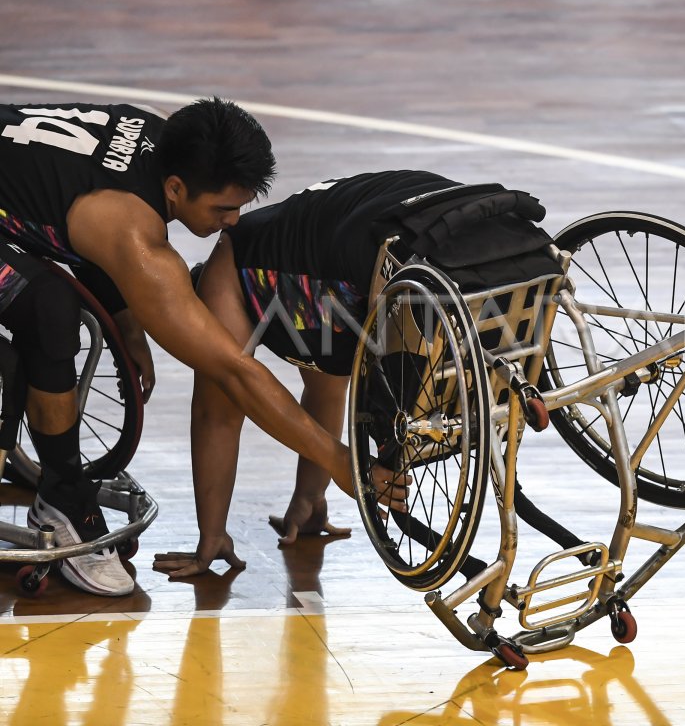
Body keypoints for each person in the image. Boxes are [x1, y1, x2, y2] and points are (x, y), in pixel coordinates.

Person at [0, 99, 406, 596]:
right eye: (223, 207)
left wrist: (128, 322)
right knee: (48, 309)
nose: (234, 221)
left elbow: (68, 201)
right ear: (175, 189)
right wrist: (343, 463)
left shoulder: (158, 145)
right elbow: (234, 374)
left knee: (55, 296)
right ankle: (63, 497)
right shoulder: (136, 234)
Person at [151, 170, 561, 579]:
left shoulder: (235, 265)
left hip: (389, 237)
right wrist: (311, 495)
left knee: (265, 370)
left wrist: (213, 533)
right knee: (335, 353)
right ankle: (310, 501)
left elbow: (216, 413)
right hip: (461, 218)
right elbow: (328, 381)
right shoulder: (300, 266)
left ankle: (284, 508)